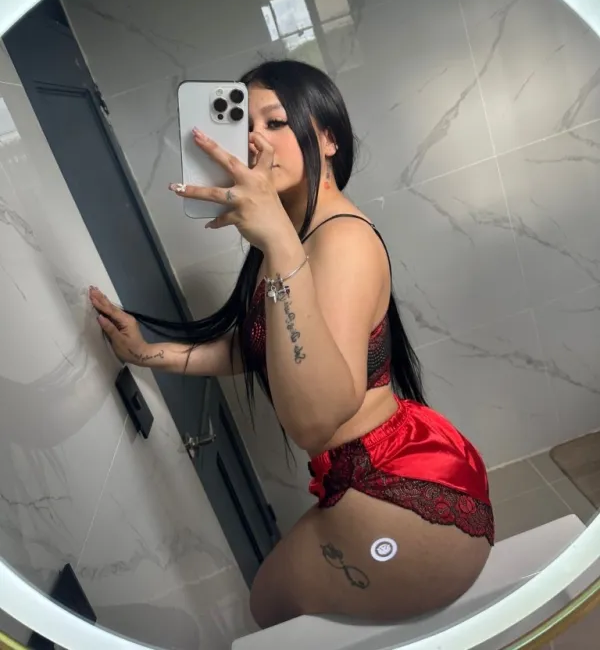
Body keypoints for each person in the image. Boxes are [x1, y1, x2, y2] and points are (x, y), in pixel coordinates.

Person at [89, 60, 494, 630]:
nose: (255, 140)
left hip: (403, 485)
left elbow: (315, 420)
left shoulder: (340, 241)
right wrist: (145, 353)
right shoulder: (295, 237)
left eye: (275, 122)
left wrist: (279, 243)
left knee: (267, 611)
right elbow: (258, 348)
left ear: (328, 138)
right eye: (244, 127)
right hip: (382, 470)